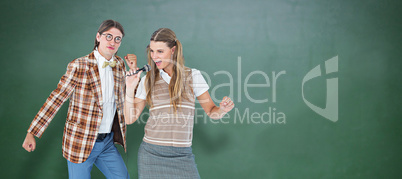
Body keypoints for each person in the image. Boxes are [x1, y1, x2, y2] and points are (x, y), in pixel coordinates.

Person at [22, 19, 135, 179]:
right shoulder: (79, 65)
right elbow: (56, 98)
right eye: (108, 36)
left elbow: (125, 97)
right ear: (98, 37)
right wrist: (32, 131)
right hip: (80, 141)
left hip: (107, 142)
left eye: (118, 39)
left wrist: (132, 73)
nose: (113, 42)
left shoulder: (119, 64)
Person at [124, 28, 235, 178]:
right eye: (152, 51)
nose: (154, 56)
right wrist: (130, 89)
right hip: (150, 155)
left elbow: (211, 112)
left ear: (173, 50)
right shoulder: (147, 80)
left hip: (182, 155)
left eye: (160, 51)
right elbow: (130, 119)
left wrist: (222, 110)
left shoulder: (193, 76)